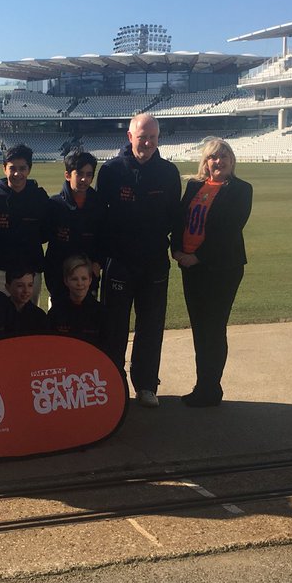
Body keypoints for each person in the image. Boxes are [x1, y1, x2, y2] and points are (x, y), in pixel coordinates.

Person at [96, 113, 182, 408]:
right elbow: (101, 218)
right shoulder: (110, 171)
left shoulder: (169, 173)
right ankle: (112, 383)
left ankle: (146, 385)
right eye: (142, 136)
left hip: (154, 261)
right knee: (114, 325)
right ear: (130, 137)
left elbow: (174, 216)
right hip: (118, 261)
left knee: (151, 325)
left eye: (153, 137)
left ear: (158, 139)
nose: (147, 142)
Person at [171, 138, 253, 408]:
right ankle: (202, 384)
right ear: (205, 162)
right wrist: (177, 251)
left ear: (232, 160)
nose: (218, 161)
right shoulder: (195, 185)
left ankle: (210, 388)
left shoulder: (241, 190)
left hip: (221, 268)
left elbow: (229, 231)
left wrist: (198, 256)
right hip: (190, 266)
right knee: (199, 327)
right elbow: (179, 219)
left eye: (223, 156)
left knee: (213, 328)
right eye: (212, 157)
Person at [0, 143, 47, 304]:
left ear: (29, 169)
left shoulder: (40, 197)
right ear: (4, 168)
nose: (17, 173)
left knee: (28, 320)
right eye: (12, 168)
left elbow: (46, 232)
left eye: (22, 168)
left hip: (31, 272)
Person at [43, 149, 104, 308]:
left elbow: (105, 238)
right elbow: (47, 240)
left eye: (89, 174)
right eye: (79, 173)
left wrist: (97, 264)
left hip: (87, 278)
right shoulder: (54, 205)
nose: (84, 179)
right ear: (68, 175)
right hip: (59, 278)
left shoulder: (99, 205)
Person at [46, 255, 105, 346]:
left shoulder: (101, 314)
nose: (79, 283)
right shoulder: (55, 313)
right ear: (66, 281)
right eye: (74, 279)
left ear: (90, 280)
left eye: (84, 279)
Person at [5, 267, 47, 333]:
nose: (26, 290)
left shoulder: (39, 316)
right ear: (8, 287)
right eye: (20, 286)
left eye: (30, 285)